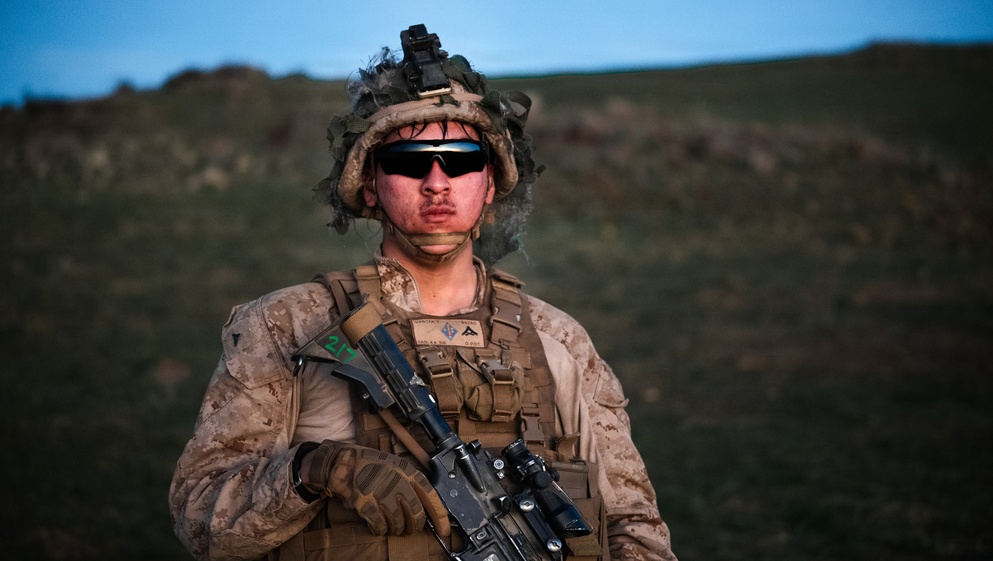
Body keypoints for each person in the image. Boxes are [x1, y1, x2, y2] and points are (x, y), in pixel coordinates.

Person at [169, 24, 677, 561]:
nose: (437, 182)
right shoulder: (288, 325)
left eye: (460, 160)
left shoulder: (560, 342)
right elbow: (201, 519)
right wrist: (313, 469)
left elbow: (635, 528)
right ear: (370, 185)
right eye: (410, 162)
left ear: (489, 184)